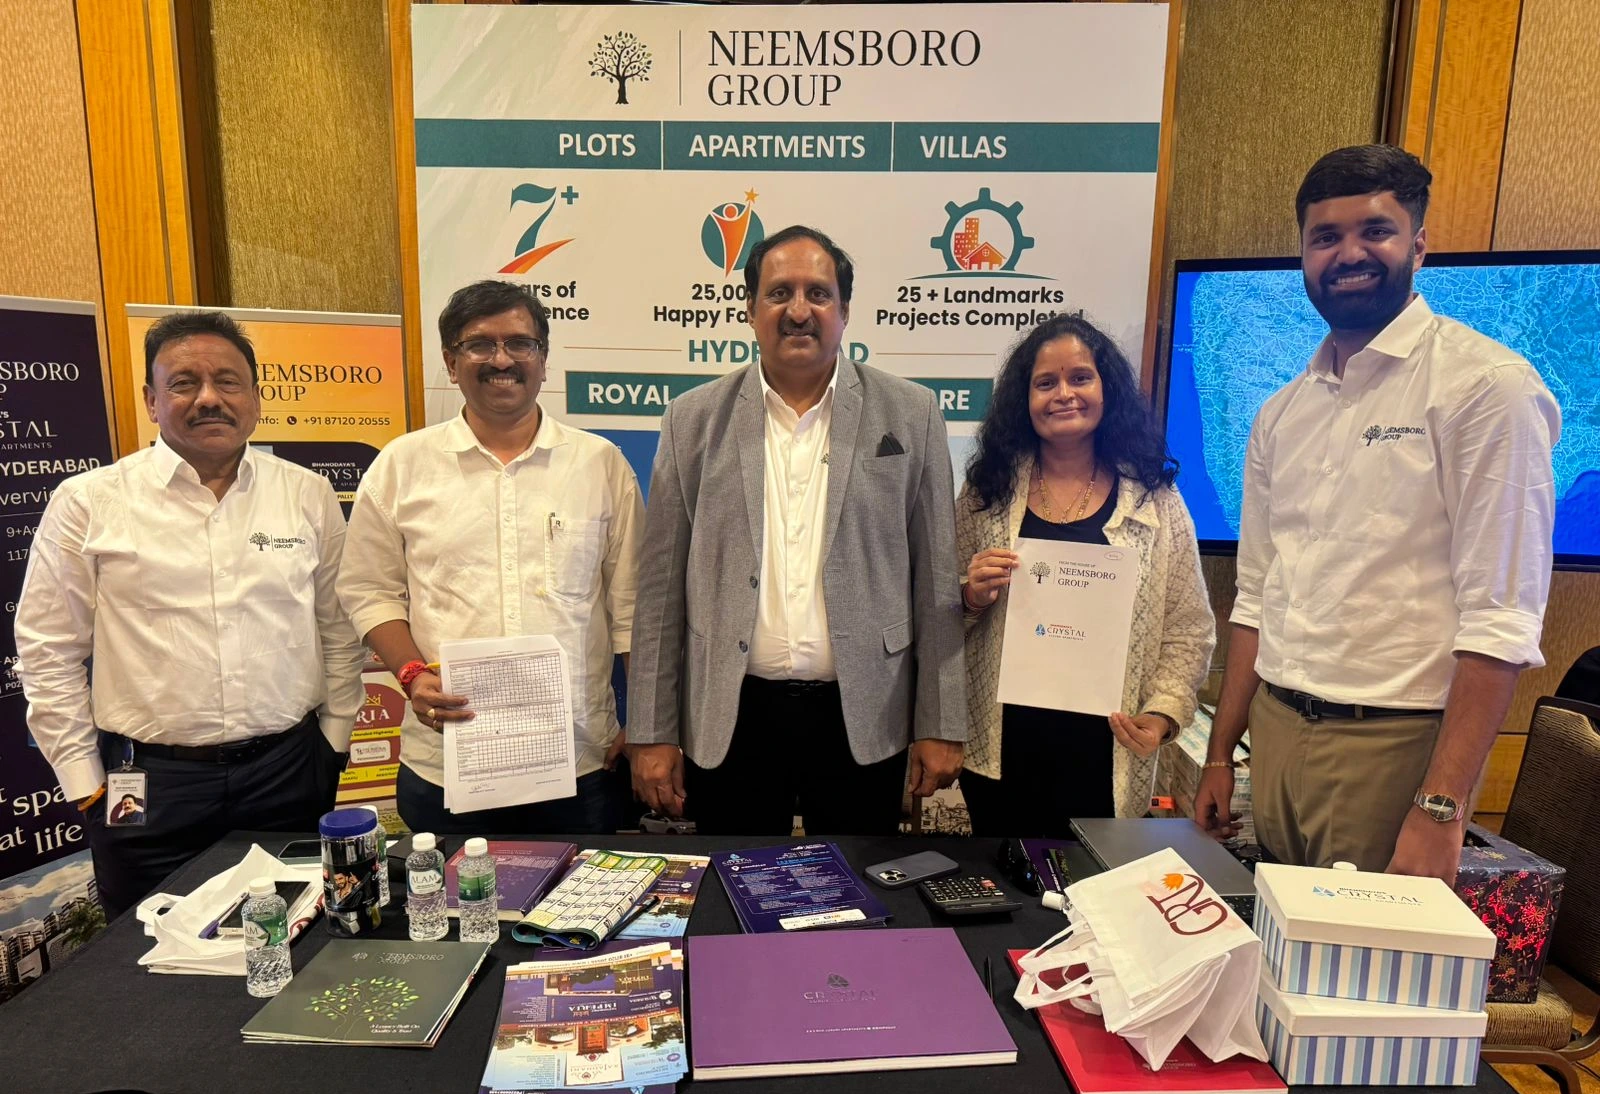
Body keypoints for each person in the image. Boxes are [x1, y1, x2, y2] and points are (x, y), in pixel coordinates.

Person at [1194, 145, 1560, 882]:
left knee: (1358, 956)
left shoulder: (1486, 388)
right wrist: (1219, 755)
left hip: (1391, 745)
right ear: (1304, 256)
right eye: (1325, 237)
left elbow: (1500, 619)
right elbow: (1257, 596)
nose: (1349, 254)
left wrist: (1441, 807)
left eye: (1375, 231)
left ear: (1418, 245)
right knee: (1280, 946)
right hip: (1275, 735)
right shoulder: (1281, 414)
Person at [14, 310, 365, 917]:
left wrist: (332, 742)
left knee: (294, 940)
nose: (208, 398)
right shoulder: (88, 502)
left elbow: (338, 627)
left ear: (255, 398)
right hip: (148, 787)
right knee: (146, 956)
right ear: (152, 400)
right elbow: (48, 649)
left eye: (228, 381)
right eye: (183, 383)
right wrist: (83, 780)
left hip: (287, 775)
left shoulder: (306, 493)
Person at [627, 225, 966, 835]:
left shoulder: (911, 412)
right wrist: (651, 732)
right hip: (731, 714)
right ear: (750, 309)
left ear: (845, 310)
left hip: (866, 712)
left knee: (859, 887)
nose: (799, 310)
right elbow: (659, 592)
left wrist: (940, 722)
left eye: (818, 293)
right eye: (780, 293)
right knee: (735, 886)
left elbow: (937, 578)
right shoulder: (692, 419)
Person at [338, 280, 642, 836]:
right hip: (446, 761)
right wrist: (410, 674)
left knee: (579, 894)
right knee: (451, 895)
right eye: (480, 344)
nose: (502, 360)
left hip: (579, 761)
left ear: (543, 359)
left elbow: (632, 608)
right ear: (451, 362)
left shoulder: (600, 465)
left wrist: (645, 723)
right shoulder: (402, 466)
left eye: (520, 343)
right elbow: (369, 592)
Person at [957, 314, 1215, 834]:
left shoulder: (1156, 501)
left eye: (1080, 378)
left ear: (1106, 389)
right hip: (1003, 752)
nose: (1064, 395)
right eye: (1045, 383)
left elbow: (1188, 629)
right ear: (1023, 400)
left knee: (1098, 883)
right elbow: (938, 611)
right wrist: (970, 597)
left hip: (1107, 753)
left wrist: (1163, 715)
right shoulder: (986, 496)